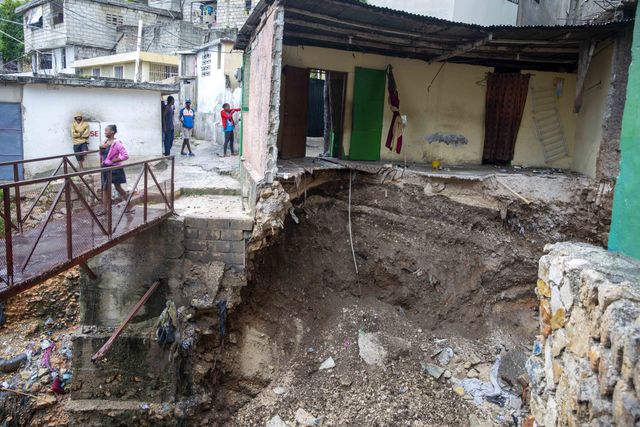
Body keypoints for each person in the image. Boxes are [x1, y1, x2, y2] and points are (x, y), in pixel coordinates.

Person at [100, 124, 129, 213]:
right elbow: (102, 154)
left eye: (106, 130)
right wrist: (100, 148)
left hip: (115, 169)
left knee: (118, 188)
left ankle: (129, 204)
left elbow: (125, 156)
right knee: (105, 188)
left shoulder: (117, 143)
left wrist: (113, 161)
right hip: (105, 168)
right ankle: (105, 210)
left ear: (112, 132)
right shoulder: (105, 142)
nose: (105, 132)